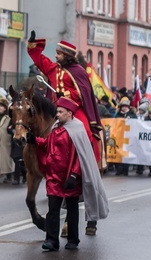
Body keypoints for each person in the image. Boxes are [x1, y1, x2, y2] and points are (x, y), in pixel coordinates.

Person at [34, 98, 109, 251]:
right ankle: (51, 240)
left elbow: (80, 155)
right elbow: (48, 144)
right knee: (52, 210)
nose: (58, 114)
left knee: (72, 209)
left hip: (69, 177)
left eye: (61, 112)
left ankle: (73, 240)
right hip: (54, 176)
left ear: (69, 113)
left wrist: (74, 175)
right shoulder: (55, 127)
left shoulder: (78, 129)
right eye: (57, 111)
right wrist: (34, 140)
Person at [27, 32, 103, 164]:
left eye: (59, 54)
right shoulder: (54, 69)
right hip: (55, 110)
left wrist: (66, 96)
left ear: (67, 56)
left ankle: (86, 163)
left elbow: (82, 95)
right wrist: (33, 46)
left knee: (85, 130)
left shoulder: (79, 71)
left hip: (74, 110)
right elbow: (39, 60)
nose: (56, 56)